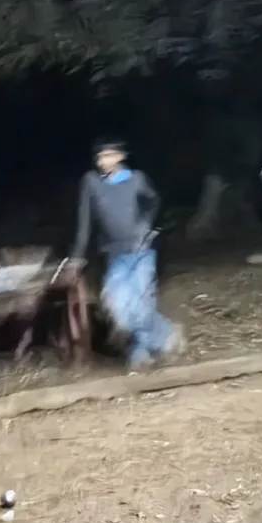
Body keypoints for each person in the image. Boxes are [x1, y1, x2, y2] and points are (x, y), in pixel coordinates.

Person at [70, 138, 183, 368]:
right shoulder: (91, 183)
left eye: (109, 155)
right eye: (100, 157)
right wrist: (77, 255)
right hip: (115, 254)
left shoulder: (136, 179)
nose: (104, 161)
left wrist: (146, 225)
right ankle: (167, 334)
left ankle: (139, 353)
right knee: (118, 308)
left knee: (141, 306)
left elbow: (154, 201)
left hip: (142, 252)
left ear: (121, 156)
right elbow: (85, 220)